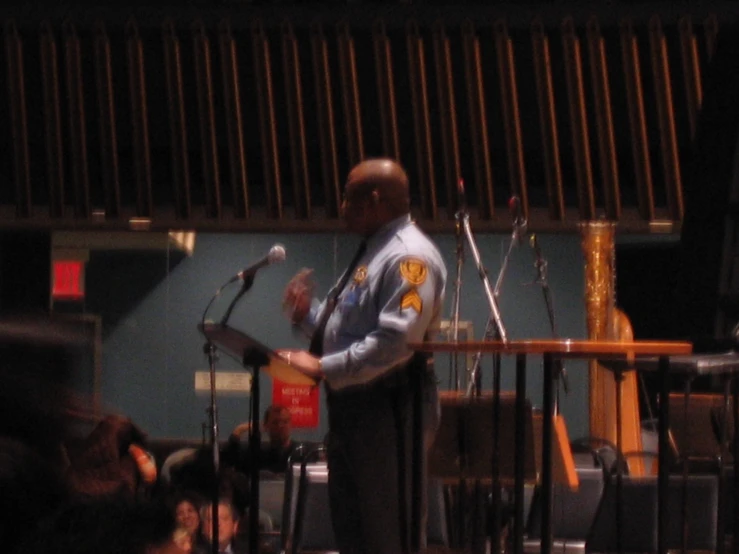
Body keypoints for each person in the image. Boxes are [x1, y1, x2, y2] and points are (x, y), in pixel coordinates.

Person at [280, 158, 447, 554]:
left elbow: (395, 342)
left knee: (388, 535)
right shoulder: (374, 250)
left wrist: (323, 366)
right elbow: (348, 327)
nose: (339, 206)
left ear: (373, 199)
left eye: (346, 196)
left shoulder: (409, 257)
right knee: (352, 532)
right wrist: (308, 317)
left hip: (390, 408)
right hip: (356, 407)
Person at [224, 404, 299, 475]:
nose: (281, 426)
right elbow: (230, 459)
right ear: (266, 426)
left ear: (290, 424)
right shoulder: (257, 455)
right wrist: (239, 430)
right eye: (275, 422)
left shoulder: (300, 453)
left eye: (285, 422)